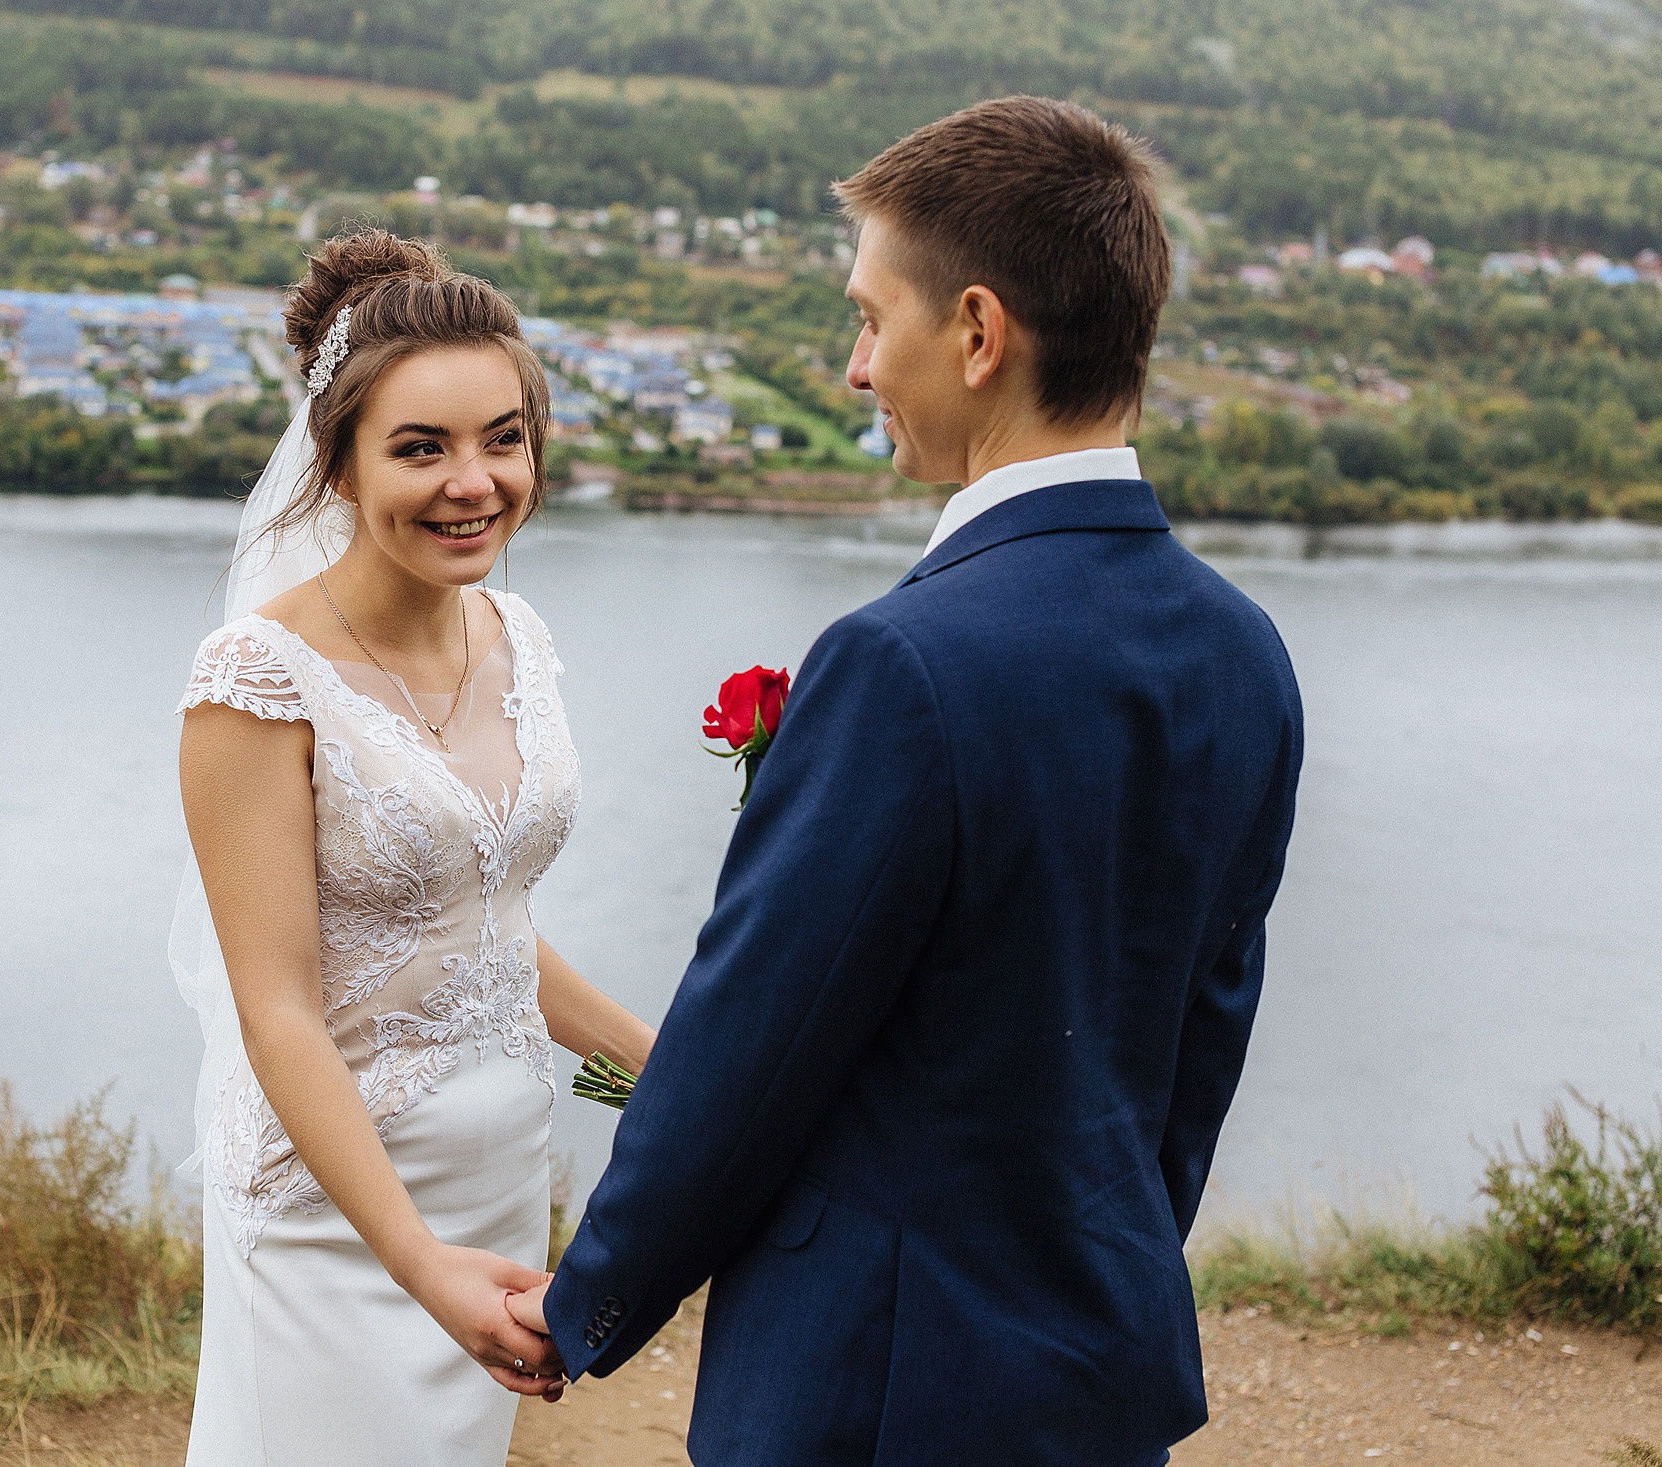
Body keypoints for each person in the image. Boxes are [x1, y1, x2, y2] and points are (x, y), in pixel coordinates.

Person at [506, 97, 1305, 1464]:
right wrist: (1090, 1277)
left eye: (873, 320)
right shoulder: (1245, 653)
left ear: (980, 334)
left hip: (871, 1394)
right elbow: (1196, 1051)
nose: (856, 367)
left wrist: (589, 1299)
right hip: (1094, 1374)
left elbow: (755, 1037)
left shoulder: (902, 663)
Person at [173, 229, 655, 1466]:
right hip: (340, 1213)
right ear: (336, 463)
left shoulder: (517, 634)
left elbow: (480, 930)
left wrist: (665, 1065)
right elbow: (276, 1007)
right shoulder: (256, 681)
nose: (473, 482)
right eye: (420, 448)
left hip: (499, 1176)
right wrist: (419, 1263)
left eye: (504, 438)